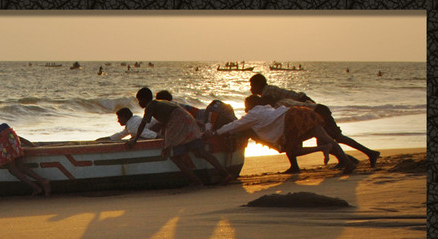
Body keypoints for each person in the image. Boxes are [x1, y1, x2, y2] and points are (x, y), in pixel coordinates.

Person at [249, 73, 379, 171]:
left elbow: (274, 105)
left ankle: (367, 154)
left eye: (252, 86)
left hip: (314, 112)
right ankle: (347, 160)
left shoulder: (268, 92)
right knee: (304, 138)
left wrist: (311, 109)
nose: (251, 89)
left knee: (334, 137)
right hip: (309, 112)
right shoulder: (269, 93)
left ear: (258, 85)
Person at [211, 95, 357, 174]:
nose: (245, 109)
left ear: (250, 105)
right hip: (302, 112)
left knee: (292, 149)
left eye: (245, 106)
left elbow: (235, 125)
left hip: (291, 119)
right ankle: (348, 163)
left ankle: (322, 149)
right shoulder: (267, 108)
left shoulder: (254, 113)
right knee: (326, 137)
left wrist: (216, 132)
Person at [127, 87, 232, 187]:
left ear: (144, 99)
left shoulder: (150, 105)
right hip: (187, 120)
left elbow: (143, 124)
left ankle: (196, 181)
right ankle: (225, 174)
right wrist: (199, 125)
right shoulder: (162, 103)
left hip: (178, 123)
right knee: (201, 151)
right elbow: (173, 116)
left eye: (139, 100)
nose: (139, 103)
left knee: (173, 155)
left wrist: (135, 139)